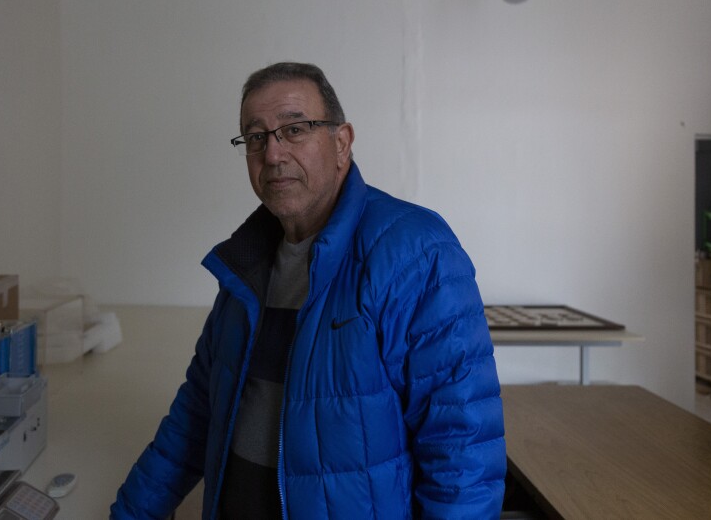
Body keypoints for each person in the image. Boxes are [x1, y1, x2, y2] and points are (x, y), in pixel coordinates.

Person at [111, 62, 506, 519]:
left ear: (342, 143)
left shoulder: (415, 252)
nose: (272, 154)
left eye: (294, 129)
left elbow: (462, 453)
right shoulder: (246, 268)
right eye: (255, 137)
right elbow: (196, 416)